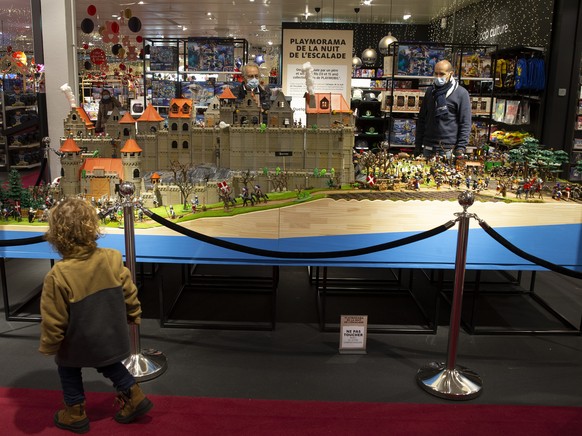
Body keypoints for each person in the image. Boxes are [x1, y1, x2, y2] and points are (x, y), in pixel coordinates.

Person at [39, 198, 152, 433]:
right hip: (111, 335)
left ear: (56, 234)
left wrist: (51, 345)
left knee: (68, 368)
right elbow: (129, 291)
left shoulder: (58, 275)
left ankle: (75, 412)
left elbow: (54, 318)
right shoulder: (111, 257)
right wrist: (134, 314)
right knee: (110, 364)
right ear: (93, 226)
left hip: (77, 342)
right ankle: (134, 395)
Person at [415, 60, 472, 161]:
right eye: (436, 73)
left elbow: (465, 123)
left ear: (451, 74)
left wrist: (460, 148)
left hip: (449, 149)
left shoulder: (461, 94)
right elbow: (422, 119)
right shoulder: (430, 92)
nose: (438, 77)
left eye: (441, 74)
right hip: (428, 146)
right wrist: (418, 144)